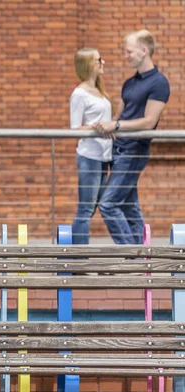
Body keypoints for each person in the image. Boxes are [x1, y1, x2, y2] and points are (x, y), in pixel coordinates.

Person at [93, 30, 170, 244]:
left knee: (108, 204)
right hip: (119, 150)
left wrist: (116, 124)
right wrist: (105, 125)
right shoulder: (129, 83)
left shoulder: (159, 83)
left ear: (144, 51)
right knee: (129, 205)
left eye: (129, 51)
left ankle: (131, 257)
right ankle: (142, 261)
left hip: (134, 151)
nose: (125, 55)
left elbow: (149, 121)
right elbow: (120, 115)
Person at [70, 47, 113, 244]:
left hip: (105, 155)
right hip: (89, 156)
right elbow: (75, 127)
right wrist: (95, 127)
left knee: (103, 205)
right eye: (99, 60)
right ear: (88, 64)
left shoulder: (99, 90)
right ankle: (79, 259)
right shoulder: (79, 94)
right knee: (86, 208)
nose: (103, 62)